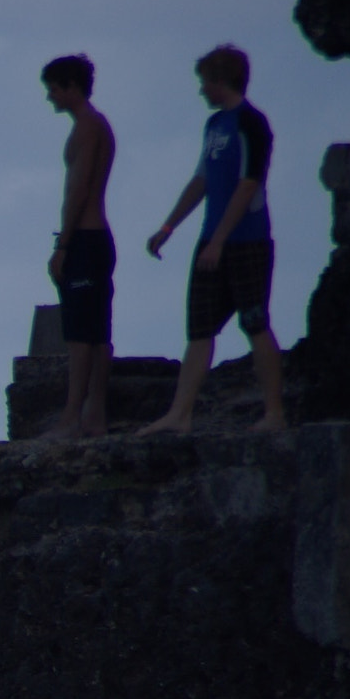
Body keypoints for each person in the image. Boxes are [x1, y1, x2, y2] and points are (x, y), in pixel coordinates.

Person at [140, 44, 286, 434]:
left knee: (255, 322)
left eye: (205, 82)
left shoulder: (251, 123)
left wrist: (221, 239)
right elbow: (202, 179)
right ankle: (180, 415)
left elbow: (249, 183)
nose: (201, 90)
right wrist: (168, 227)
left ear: (221, 81)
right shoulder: (213, 126)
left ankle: (274, 413)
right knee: (199, 330)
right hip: (210, 241)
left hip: (247, 241)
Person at [41, 54, 116, 437]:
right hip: (93, 239)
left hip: (86, 239)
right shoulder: (93, 125)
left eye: (53, 89)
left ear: (71, 86)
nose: (50, 98)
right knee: (97, 331)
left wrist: (63, 245)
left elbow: (80, 189)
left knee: (81, 335)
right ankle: (94, 416)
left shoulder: (88, 127)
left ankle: (73, 416)